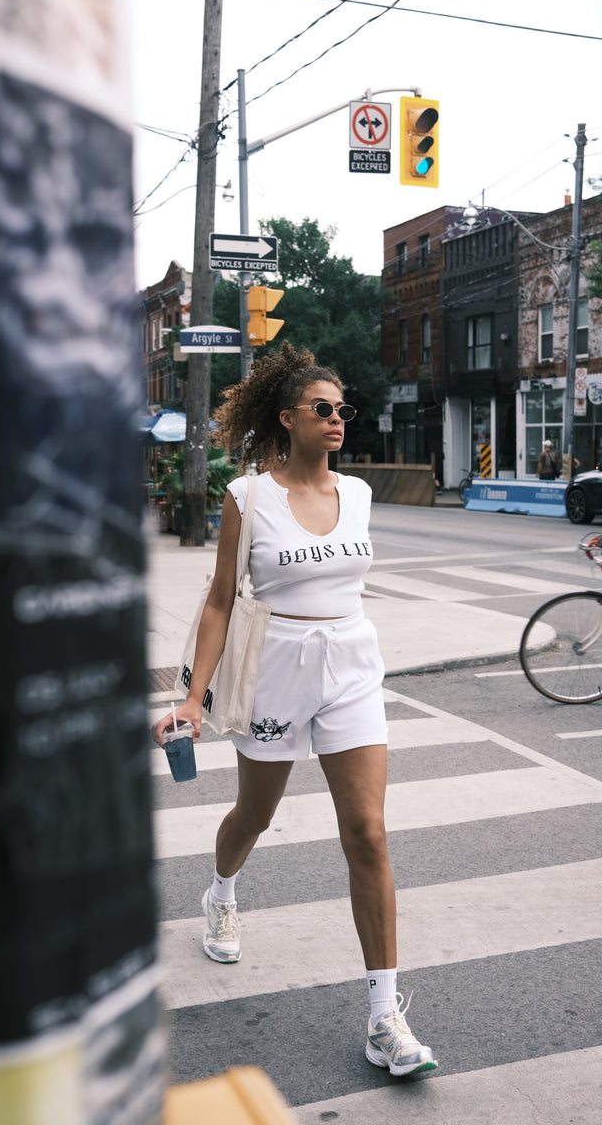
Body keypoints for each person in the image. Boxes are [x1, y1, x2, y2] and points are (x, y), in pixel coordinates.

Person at [153, 341, 438, 1078]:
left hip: (350, 665)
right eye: (323, 408)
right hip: (277, 667)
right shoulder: (248, 498)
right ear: (288, 418)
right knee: (255, 814)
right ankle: (220, 893)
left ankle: (385, 1017)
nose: (338, 418)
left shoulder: (362, 495)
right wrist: (190, 696)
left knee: (369, 833)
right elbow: (220, 602)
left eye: (343, 408)